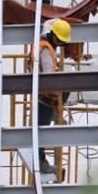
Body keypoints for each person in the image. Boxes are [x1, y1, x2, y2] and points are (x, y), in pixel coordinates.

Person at [33, 18, 71, 175]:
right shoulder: (46, 50)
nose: (60, 44)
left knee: (40, 130)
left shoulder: (43, 45)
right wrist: (57, 98)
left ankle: (41, 160)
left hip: (41, 94)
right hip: (44, 97)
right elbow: (48, 77)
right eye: (60, 41)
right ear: (53, 35)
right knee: (40, 132)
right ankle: (40, 162)